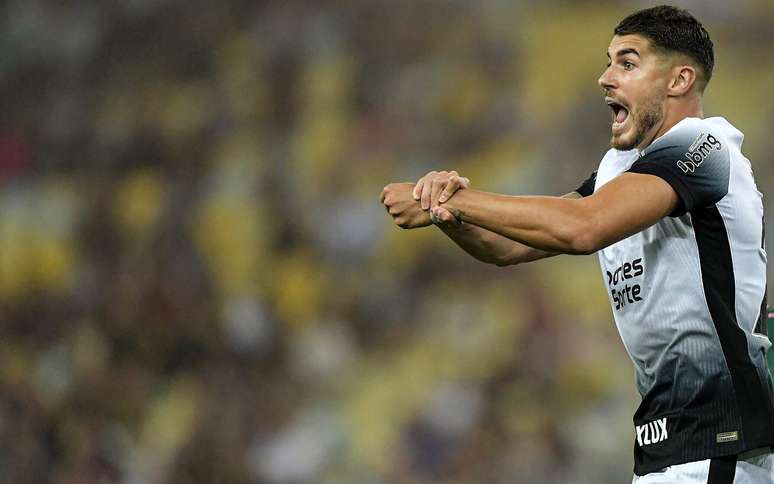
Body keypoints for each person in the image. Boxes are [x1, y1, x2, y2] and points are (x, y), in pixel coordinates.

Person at [381, 5, 774, 483]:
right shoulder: (619, 171)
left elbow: (582, 228)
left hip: (721, 444)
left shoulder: (706, 147)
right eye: (608, 62)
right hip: (668, 448)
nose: (606, 78)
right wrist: (443, 211)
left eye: (627, 63)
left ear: (679, 80)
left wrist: (461, 199)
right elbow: (505, 247)